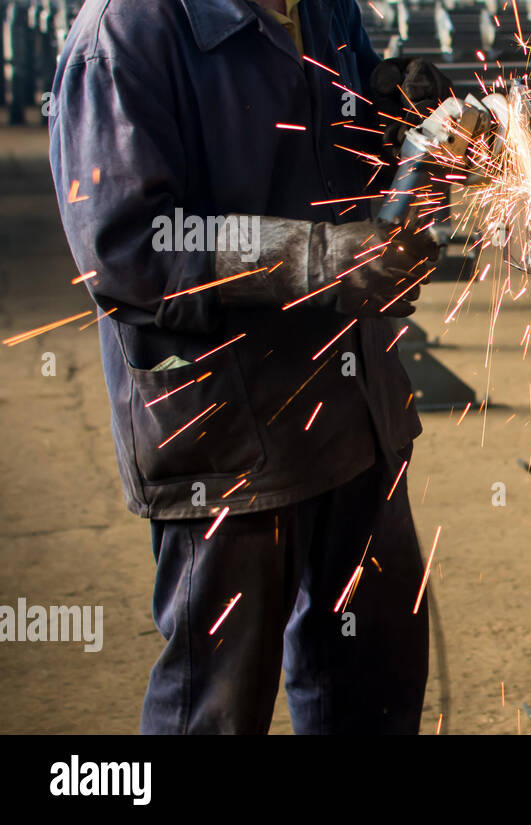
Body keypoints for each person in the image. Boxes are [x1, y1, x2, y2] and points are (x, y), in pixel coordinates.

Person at [48, 0, 452, 734]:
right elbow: (131, 250)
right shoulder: (125, 35)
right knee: (218, 708)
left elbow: (346, 147)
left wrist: (398, 115)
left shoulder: (324, 8)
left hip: (354, 409)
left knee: (376, 681)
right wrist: (326, 260)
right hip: (229, 437)